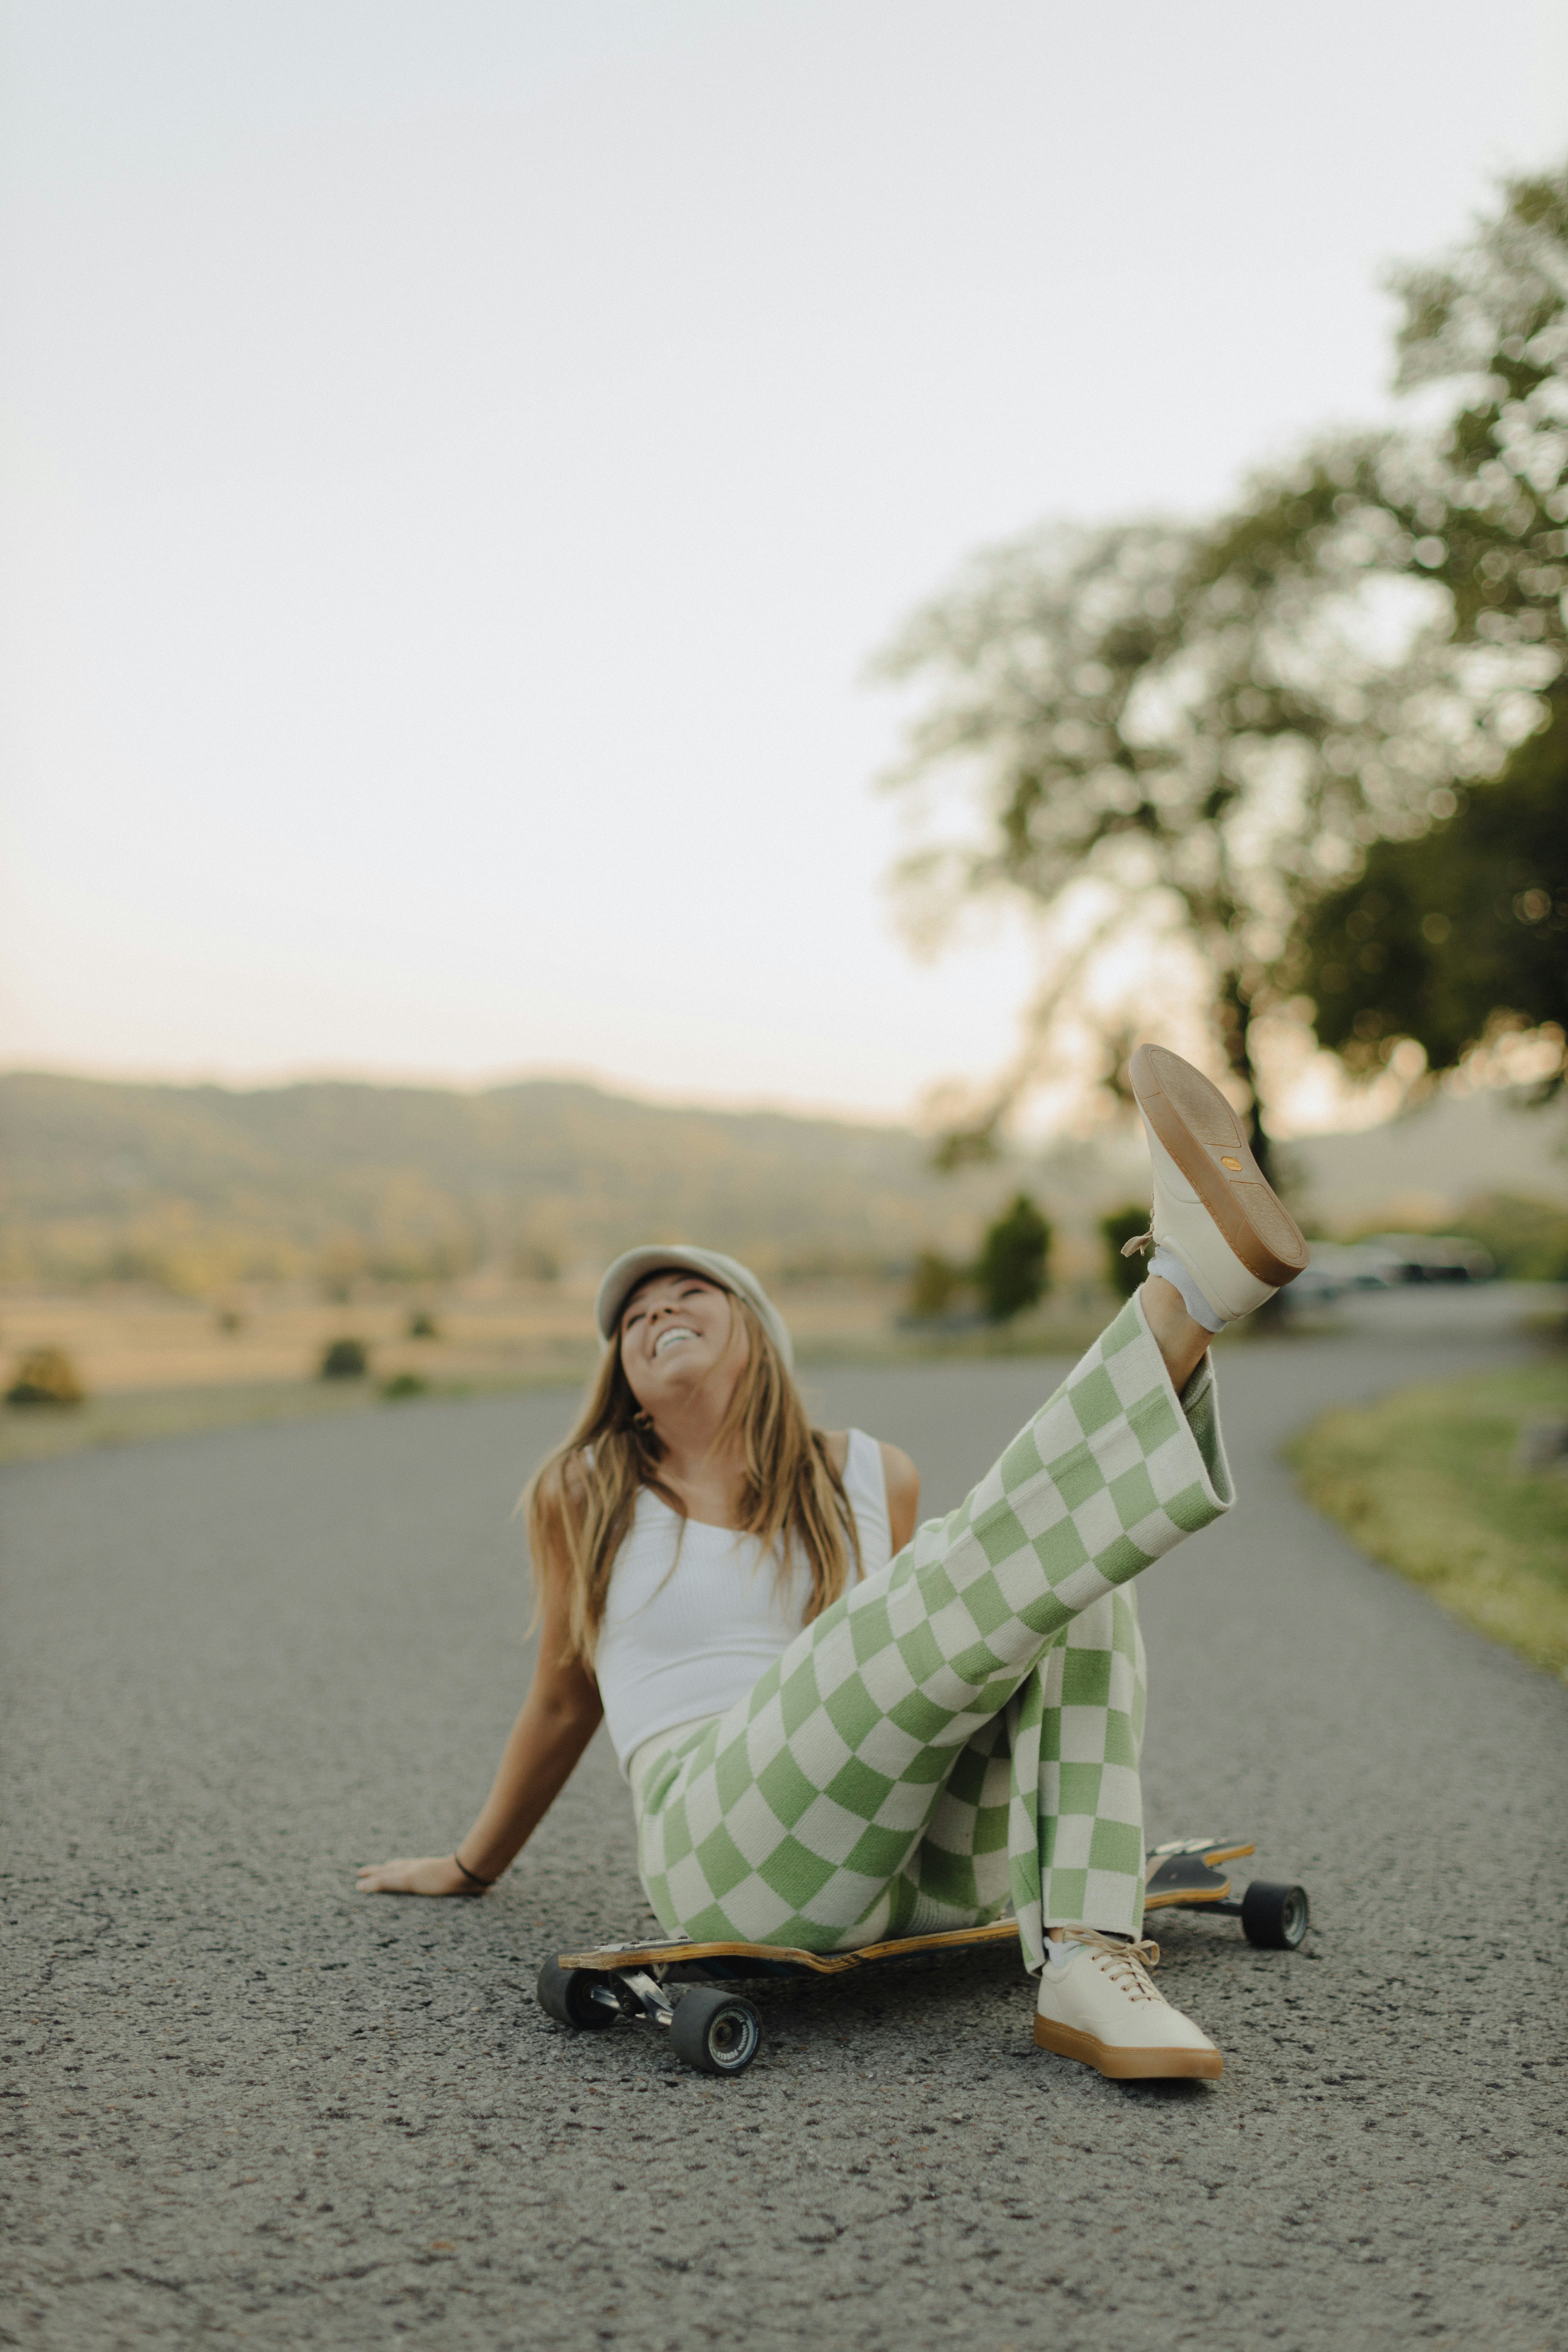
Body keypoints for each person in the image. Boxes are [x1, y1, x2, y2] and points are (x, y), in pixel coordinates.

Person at [359, 1044, 1308, 2081]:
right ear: (625, 1380)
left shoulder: (869, 1473)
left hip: (911, 1859)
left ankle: (1089, 1961)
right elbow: (560, 1699)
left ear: (756, 1334)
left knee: (1063, 1582)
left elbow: (927, 1661)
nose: (656, 1314)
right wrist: (472, 1864)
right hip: (723, 1849)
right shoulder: (585, 1494)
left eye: (686, 1294)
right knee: (1033, 1553)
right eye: (632, 1320)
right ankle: (1182, 1301)